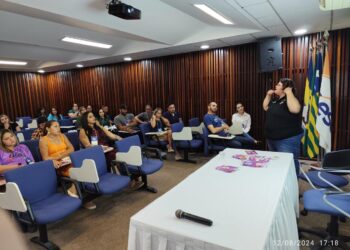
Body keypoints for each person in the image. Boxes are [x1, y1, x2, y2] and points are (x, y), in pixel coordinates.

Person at [263, 78, 303, 175]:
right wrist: (268, 95)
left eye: (279, 85)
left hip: (287, 140)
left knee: (289, 165)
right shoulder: (276, 101)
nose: (276, 86)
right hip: (272, 139)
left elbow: (295, 109)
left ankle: (293, 188)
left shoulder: (291, 99)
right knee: (277, 164)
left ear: (286, 88)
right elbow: (265, 107)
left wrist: (289, 92)